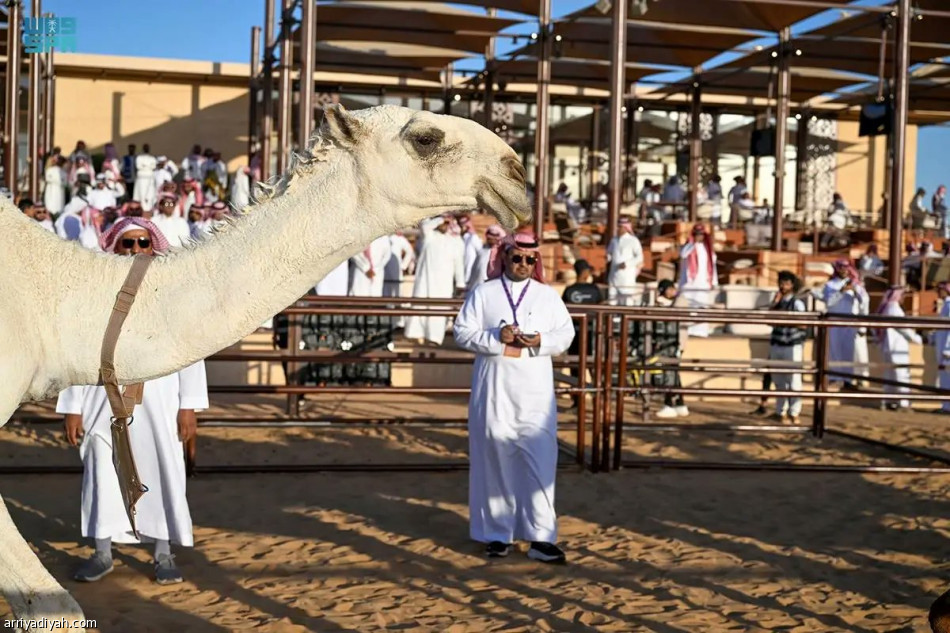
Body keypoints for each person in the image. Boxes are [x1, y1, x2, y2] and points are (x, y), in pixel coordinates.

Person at [56, 217, 207, 585]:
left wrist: (188, 405)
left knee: (161, 472)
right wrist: (72, 406)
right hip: (99, 402)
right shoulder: (93, 296)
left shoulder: (171, 296)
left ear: (153, 247)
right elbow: (76, 351)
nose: (136, 250)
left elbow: (190, 352)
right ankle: (102, 552)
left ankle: (163, 553)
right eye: (128, 244)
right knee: (102, 475)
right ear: (115, 248)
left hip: (159, 405)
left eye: (143, 243)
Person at [453, 231, 574, 563]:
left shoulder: (547, 296)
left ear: (537, 262)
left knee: (539, 459)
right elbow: (462, 332)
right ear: (504, 256)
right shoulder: (484, 293)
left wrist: (539, 339)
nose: (523, 264)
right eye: (517, 257)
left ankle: (541, 537)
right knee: (495, 458)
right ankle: (497, 534)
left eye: (530, 259)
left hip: (535, 392)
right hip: (494, 389)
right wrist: (495, 336)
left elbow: (566, 334)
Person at [404, 215, 466, 346]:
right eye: (443, 223)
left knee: (439, 309)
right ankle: (416, 334)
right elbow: (425, 226)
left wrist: (460, 283)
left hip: (443, 285)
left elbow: (459, 265)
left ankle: (434, 338)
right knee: (420, 306)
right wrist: (441, 219)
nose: (445, 225)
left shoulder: (455, 242)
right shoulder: (430, 236)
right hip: (425, 280)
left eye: (447, 224)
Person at [821, 259, 870, 390]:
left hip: (849, 323)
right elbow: (829, 303)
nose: (844, 270)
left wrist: (855, 291)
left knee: (849, 352)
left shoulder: (857, 286)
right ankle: (835, 378)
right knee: (834, 351)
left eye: (846, 267)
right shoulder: (830, 285)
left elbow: (864, 302)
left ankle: (848, 379)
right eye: (841, 267)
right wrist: (842, 291)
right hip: (835, 323)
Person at [561, 259, 603, 410]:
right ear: (585, 272)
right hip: (592, 333)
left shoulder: (569, 290)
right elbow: (601, 308)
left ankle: (578, 402)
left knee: (575, 366)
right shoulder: (594, 289)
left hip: (574, 333)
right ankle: (599, 399)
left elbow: (562, 311)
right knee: (594, 366)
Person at [768, 271, 807, 423]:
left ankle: (794, 412)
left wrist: (783, 317)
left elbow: (803, 324)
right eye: (781, 283)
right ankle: (780, 411)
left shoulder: (797, 303)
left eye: (786, 283)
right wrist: (775, 306)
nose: (782, 286)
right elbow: (769, 321)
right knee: (778, 379)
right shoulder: (778, 302)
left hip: (792, 345)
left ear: (792, 285)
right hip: (777, 343)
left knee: (794, 380)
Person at [875, 286, 921, 410]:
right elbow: (902, 328)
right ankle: (903, 403)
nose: (903, 297)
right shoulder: (893, 308)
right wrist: (916, 338)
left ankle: (889, 400)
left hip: (888, 345)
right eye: (902, 295)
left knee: (890, 374)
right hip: (896, 346)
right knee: (901, 374)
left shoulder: (886, 307)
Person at [650, 279, 689, 419]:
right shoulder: (670, 302)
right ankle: (680, 403)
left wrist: (662, 305)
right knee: (674, 373)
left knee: (670, 373)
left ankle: (669, 404)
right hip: (671, 342)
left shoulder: (680, 300)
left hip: (676, 342)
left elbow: (673, 313)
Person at [678, 223, 718, 337]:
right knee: (688, 308)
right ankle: (689, 331)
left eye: (701, 234)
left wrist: (714, 281)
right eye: (696, 234)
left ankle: (700, 332)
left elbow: (712, 266)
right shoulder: (688, 246)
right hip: (689, 284)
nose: (699, 236)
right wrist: (692, 242)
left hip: (703, 284)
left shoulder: (707, 249)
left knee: (702, 308)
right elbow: (683, 254)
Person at [606, 216, 643, 306]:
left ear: (626, 228)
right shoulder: (614, 240)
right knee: (612, 301)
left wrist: (627, 264)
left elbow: (640, 257)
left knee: (627, 302)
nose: (618, 229)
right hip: (614, 276)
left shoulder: (633, 240)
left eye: (620, 227)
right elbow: (609, 253)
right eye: (618, 227)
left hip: (627, 278)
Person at [469, 224, 507, 292]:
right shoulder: (482, 251)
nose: (491, 238)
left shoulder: (502, 254)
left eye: (494, 235)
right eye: (489, 235)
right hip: (477, 287)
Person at [934, 282, 950, 414]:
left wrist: (947, 350)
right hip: (942, 348)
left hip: (947, 350)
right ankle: (945, 406)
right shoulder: (945, 305)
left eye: (940, 290)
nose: (938, 292)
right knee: (944, 378)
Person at [384, 231, 415, 299]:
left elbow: (409, 251)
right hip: (383, 270)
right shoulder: (382, 237)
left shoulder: (399, 238)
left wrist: (403, 266)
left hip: (396, 269)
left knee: (396, 292)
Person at [459, 215, 483, 286]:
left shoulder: (473, 238)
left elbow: (481, 253)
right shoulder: (460, 239)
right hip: (461, 276)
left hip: (470, 276)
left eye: (462, 226)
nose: (460, 228)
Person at [134, 144, 158, 211]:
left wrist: (144, 166)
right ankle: (142, 208)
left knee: (150, 192)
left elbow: (153, 166)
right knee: (141, 193)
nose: (146, 148)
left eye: (147, 147)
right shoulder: (139, 157)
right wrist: (148, 166)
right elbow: (138, 166)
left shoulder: (152, 158)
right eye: (145, 147)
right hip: (141, 178)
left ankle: (149, 208)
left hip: (150, 177)